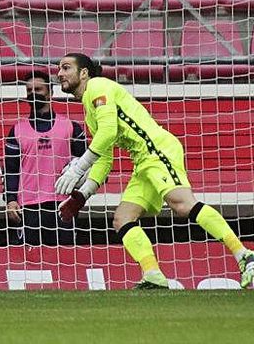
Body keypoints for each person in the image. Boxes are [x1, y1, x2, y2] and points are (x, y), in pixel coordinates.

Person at [54, 53, 254, 289]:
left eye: (66, 68)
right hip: (143, 161)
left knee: (181, 204)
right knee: (123, 219)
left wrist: (78, 167)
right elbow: (105, 157)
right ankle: (153, 275)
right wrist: (82, 195)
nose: (59, 73)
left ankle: (245, 256)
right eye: (59, 69)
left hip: (157, 150)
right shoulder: (89, 110)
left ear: (84, 73)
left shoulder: (98, 86)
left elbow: (108, 132)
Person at [4, 71, 87, 246]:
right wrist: (11, 200)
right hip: (28, 206)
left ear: (51, 92)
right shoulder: (17, 130)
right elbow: (11, 170)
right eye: (29, 90)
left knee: (65, 259)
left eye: (38, 89)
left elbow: (86, 164)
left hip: (62, 204)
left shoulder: (71, 127)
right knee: (29, 261)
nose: (33, 93)